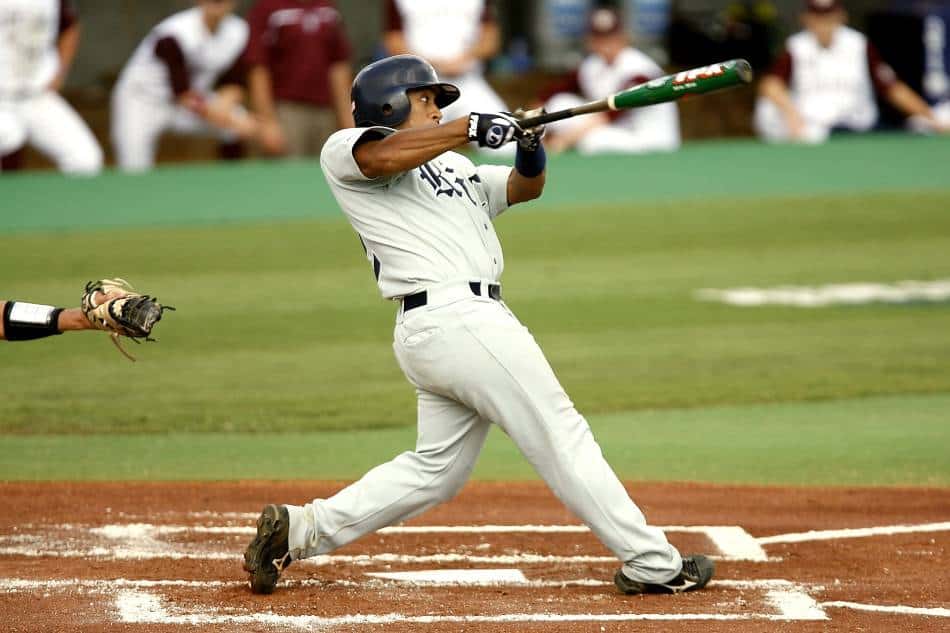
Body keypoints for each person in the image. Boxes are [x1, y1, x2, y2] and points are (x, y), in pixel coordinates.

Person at [242, 54, 715, 598]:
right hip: (455, 321)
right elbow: (382, 158)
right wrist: (467, 128)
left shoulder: (454, 167)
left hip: (452, 330)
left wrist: (530, 143)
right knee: (562, 435)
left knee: (435, 472)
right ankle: (653, 563)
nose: (438, 108)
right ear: (390, 104)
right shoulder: (347, 151)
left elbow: (522, 188)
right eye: (426, 100)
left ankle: (300, 530)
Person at [755, 0, 950, 143]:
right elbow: (771, 85)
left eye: (829, 16)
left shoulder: (858, 44)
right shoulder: (797, 46)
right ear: (806, 18)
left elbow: (892, 88)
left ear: (841, 16)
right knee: (767, 111)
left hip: (859, 127)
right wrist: (792, 114)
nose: (824, 23)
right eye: (818, 16)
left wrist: (931, 118)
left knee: (920, 125)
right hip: (814, 131)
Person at [111, 0, 259, 172]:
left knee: (238, 122)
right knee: (133, 167)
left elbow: (235, 78)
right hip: (141, 101)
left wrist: (228, 104)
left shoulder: (238, 30)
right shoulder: (174, 31)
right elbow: (182, 94)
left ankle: (233, 181)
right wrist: (226, 118)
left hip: (189, 100)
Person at [541, 7, 681, 155]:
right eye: (599, 38)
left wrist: (563, 140)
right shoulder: (593, 64)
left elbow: (613, 113)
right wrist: (539, 131)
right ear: (589, 40)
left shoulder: (638, 68)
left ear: (623, 37)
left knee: (593, 141)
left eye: (610, 37)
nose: (605, 43)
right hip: (621, 131)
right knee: (559, 102)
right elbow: (550, 93)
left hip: (652, 139)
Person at [0, 0, 103, 175]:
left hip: (37, 94)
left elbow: (69, 26)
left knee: (85, 160)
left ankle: (70, 202)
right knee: (8, 138)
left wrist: (60, 72)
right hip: (2, 96)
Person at [244, 0, 353, 157]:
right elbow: (258, 68)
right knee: (288, 175)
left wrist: (347, 119)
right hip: (287, 111)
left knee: (326, 171)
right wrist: (268, 122)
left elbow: (338, 65)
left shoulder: (328, 9)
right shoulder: (267, 8)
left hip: (326, 112)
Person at [382, 0, 509, 127]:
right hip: (419, 86)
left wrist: (464, 59)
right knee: (414, 141)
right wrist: (434, 64)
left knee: (505, 133)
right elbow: (393, 41)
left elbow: (491, 39)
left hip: (467, 81)